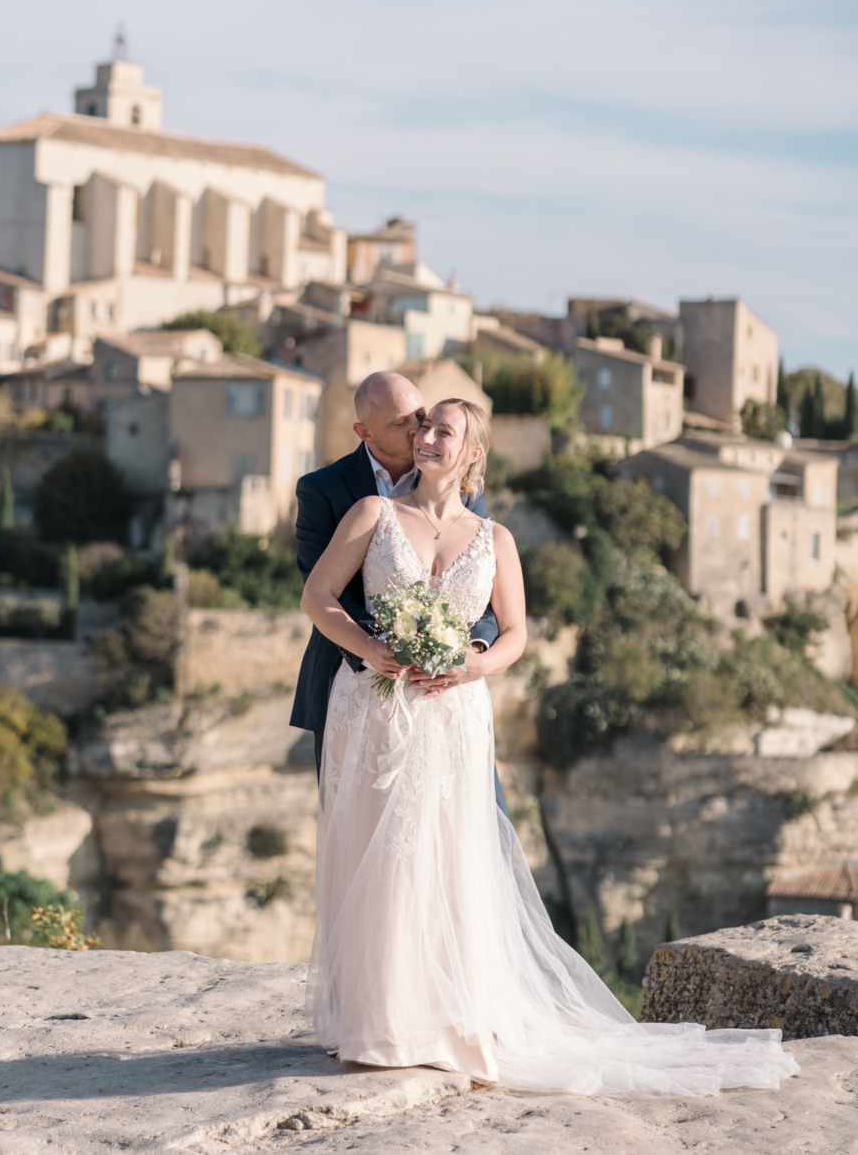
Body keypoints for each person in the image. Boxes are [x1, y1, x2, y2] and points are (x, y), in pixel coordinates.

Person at [299, 397, 799, 1095]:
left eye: (444, 429)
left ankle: (450, 1018)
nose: (425, 436)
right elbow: (318, 598)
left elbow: (514, 634)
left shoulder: (494, 538)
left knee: (448, 855)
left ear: (472, 450)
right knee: (379, 853)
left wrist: (469, 664)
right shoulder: (370, 516)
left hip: (454, 714)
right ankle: (379, 1023)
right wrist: (371, 649)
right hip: (378, 709)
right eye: (421, 426)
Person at [290, 371, 498, 783]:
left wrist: (464, 648)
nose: (418, 433)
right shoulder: (322, 489)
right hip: (349, 680)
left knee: (475, 825)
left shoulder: (460, 485)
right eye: (400, 424)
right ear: (364, 432)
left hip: (446, 689)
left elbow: (480, 581)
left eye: (419, 417)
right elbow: (325, 589)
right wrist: (389, 647)